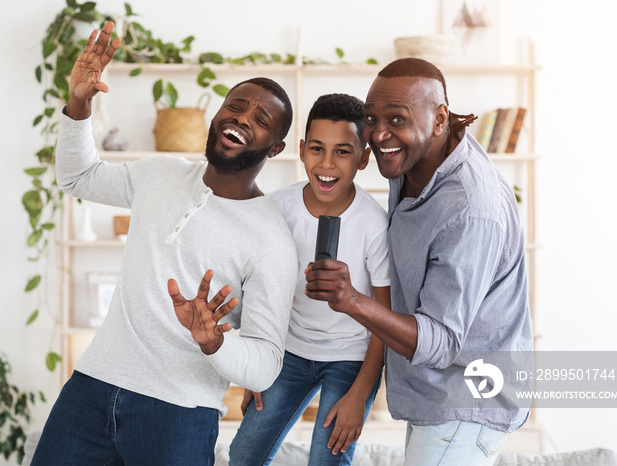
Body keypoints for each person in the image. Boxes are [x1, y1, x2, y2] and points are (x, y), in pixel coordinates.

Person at [31, 22, 299, 466]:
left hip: (178, 412)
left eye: (260, 120)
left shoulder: (270, 240)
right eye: (235, 107)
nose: (241, 119)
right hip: (91, 386)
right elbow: (76, 176)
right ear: (216, 117)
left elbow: (266, 363)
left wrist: (214, 343)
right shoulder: (160, 173)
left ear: (275, 148)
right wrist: (80, 102)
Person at [304, 58, 534, 465]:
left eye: (396, 119)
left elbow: (442, 341)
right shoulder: (412, 159)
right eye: (371, 119)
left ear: (440, 118)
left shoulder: (469, 208)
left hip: (467, 405)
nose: (378, 134)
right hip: (435, 399)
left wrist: (353, 300)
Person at [229, 93, 391, 466]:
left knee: (327, 458)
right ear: (301, 150)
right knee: (244, 454)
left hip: (350, 359)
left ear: (364, 158)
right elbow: (258, 293)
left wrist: (359, 395)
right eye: (317, 148)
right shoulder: (277, 209)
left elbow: (385, 318)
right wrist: (256, 366)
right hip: (288, 351)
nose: (327, 163)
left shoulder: (374, 225)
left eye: (343, 152)